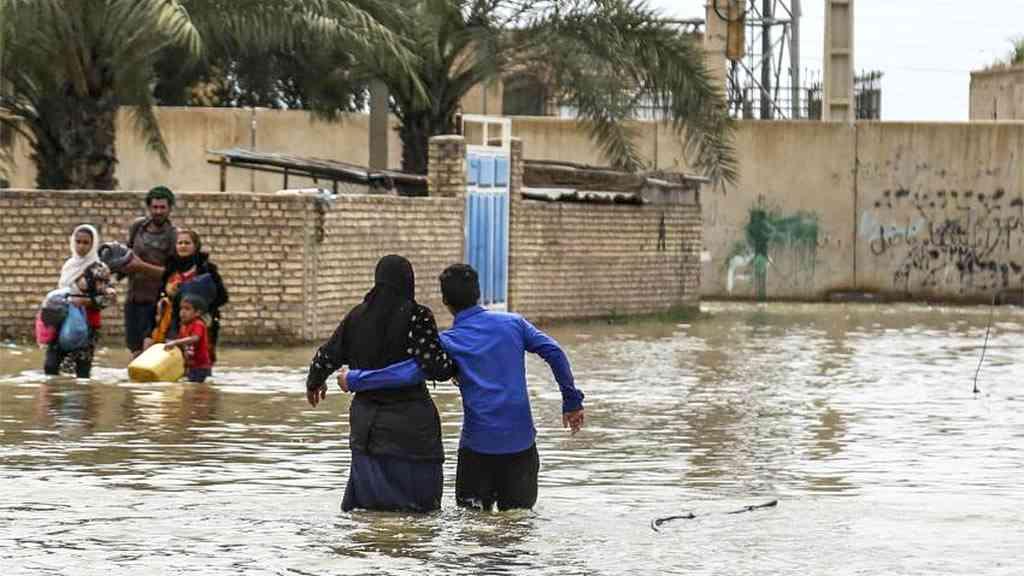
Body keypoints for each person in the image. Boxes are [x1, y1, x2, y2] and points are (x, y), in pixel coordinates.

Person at [343, 263, 585, 512]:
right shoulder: (513, 324)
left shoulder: (449, 341)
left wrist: (355, 379)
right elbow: (554, 351)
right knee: (518, 523)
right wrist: (572, 401)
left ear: (445, 301)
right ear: (478, 293)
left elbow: (409, 372)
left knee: (472, 524)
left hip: (477, 451)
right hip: (521, 448)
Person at [304, 255, 455, 512]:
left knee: (369, 512)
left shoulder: (357, 317)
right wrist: (454, 365)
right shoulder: (418, 316)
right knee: (418, 514)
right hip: (411, 428)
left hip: (368, 429)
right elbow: (436, 368)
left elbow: (327, 355)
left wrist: (314, 382)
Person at [45, 225, 116, 378]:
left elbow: (109, 298)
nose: (81, 246)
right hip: (63, 320)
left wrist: (85, 302)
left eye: (86, 242)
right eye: (78, 242)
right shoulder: (69, 265)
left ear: (93, 244)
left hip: (87, 325)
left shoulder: (100, 269)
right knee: (51, 367)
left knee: (82, 372)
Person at [145, 229, 228, 360]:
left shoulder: (206, 269)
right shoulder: (170, 269)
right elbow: (159, 300)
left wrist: (198, 308)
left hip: (199, 325)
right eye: (180, 243)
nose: (183, 246)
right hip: (171, 323)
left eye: (187, 243)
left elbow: (222, 297)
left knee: (198, 363)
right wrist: (149, 333)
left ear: (196, 246)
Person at [124, 186, 178, 358]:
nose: (158, 211)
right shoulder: (137, 228)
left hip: (157, 304)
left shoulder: (173, 236)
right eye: (155, 207)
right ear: (149, 207)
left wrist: (141, 266)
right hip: (133, 300)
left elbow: (172, 275)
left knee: (150, 352)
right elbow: (127, 255)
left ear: (170, 209)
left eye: (162, 207)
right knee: (134, 351)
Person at [163, 293, 213, 383]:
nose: (183, 312)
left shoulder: (198, 324)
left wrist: (175, 342)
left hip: (200, 367)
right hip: (190, 365)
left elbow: (195, 338)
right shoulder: (183, 326)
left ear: (197, 313)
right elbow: (180, 344)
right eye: (181, 308)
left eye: (187, 309)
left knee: (195, 388)